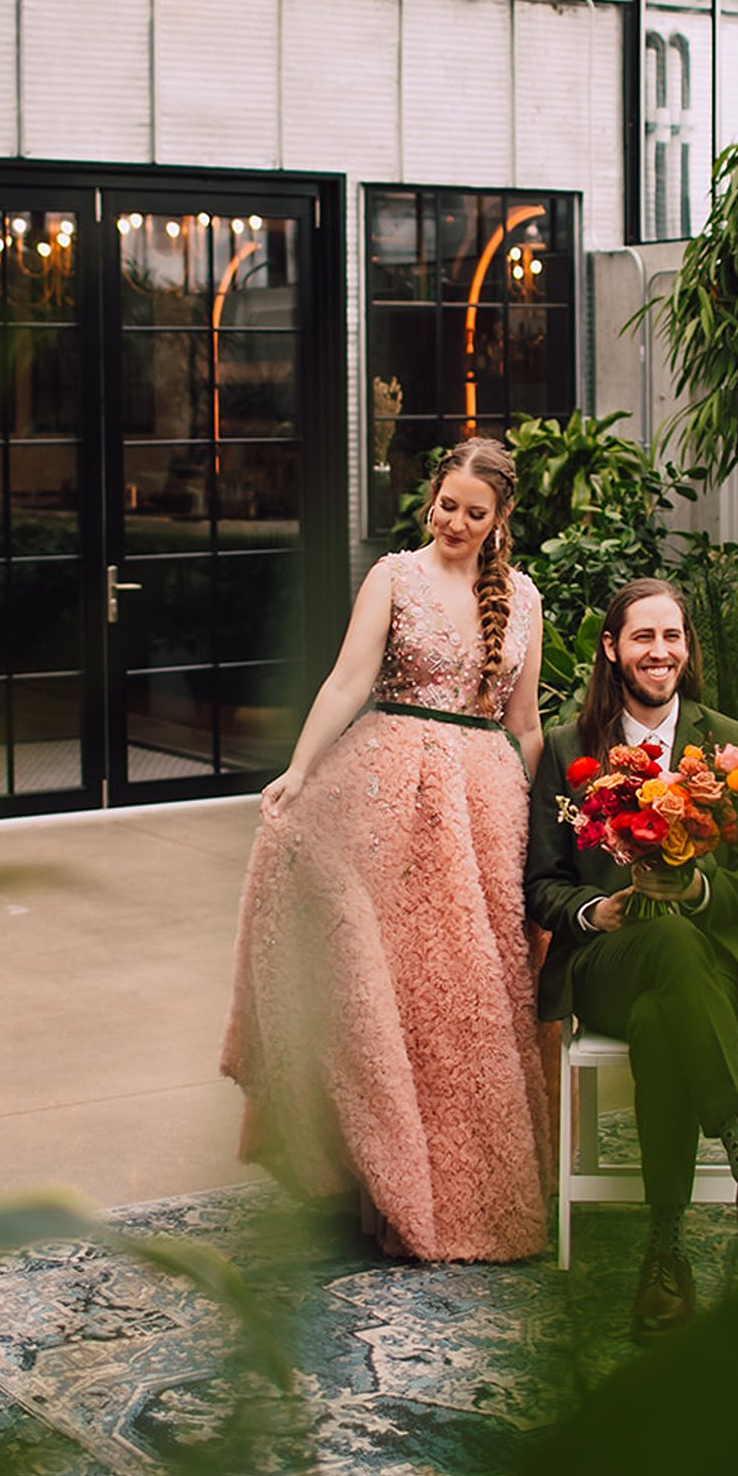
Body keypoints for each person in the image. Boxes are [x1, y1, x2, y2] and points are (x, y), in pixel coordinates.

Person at [218, 437, 550, 1262]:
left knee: (466, 991)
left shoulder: (525, 599)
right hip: (386, 796)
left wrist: (527, 807)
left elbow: (527, 724)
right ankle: (374, 1179)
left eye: (476, 513)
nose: (457, 522)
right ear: (430, 497)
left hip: (482, 809)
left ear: (501, 518)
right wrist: (298, 771)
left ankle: (459, 1187)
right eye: (447, 505)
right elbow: (344, 681)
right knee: (388, 986)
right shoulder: (393, 576)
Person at [525, 578, 738, 1339]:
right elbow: (541, 885)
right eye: (643, 637)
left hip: (710, 966)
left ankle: (664, 1253)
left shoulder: (730, 747)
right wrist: (592, 908)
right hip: (608, 961)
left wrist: (696, 891)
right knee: (657, 961)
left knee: (663, 1009)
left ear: (689, 647)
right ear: (612, 649)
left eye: (672, 636)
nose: (660, 651)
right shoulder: (565, 747)